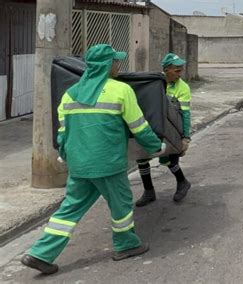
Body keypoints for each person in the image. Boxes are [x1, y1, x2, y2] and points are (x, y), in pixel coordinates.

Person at [21, 44, 166, 275]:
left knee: (69, 211)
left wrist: (66, 156)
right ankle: (125, 244)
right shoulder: (120, 90)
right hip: (108, 163)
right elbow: (139, 126)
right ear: (108, 65)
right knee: (121, 204)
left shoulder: (70, 94)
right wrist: (156, 146)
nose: (118, 65)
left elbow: (62, 133)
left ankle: (40, 253)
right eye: (115, 61)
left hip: (79, 165)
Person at [135, 53, 192, 207]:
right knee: (142, 158)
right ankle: (149, 191)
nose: (180, 74)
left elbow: (185, 114)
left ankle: (182, 182)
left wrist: (186, 137)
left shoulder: (183, 87)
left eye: (181, 70)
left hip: (173, 127)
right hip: (154, 124)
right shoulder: (155, 82)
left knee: (169, 159)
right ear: (166, 70)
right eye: (176, 70)